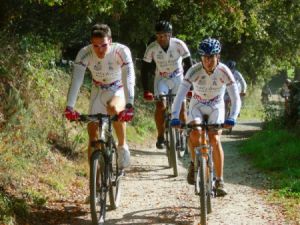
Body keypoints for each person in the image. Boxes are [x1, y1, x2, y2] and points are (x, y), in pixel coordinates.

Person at [171, 38, 241, 196]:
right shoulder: (194, 71)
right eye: (205, 57)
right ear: (201, 57)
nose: (208, 61)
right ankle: (193, 163)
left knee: (214, 138)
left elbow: (235, 98)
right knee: (194, 131)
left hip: (216, 106)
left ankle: (220, 180)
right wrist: (175, 116)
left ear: (218, 57)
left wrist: (233, 117)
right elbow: (180, 95)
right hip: (197, 105)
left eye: (211, 57)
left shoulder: (224, 71)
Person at [64, 23, 135, 169]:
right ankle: (94, 186)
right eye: (95, 46)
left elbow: (129, 78)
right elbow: (76, 80)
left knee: (113, 108)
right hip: (98, 89)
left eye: (103, 45)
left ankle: (122, 146)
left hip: (118, 87)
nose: (99, 50)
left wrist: (129, 105)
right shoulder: (84, 53)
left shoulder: (121, 51)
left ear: (110, 40)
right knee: (92, 137)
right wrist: (69, 107)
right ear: (91, 43)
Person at [141, 20, 193, 149]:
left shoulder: (179, 44)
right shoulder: (152, 47)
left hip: (178, 77)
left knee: (181, 108)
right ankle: (160, 136)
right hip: (161, 78)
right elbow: (145, 70)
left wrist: (190, 86)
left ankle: (182, 134)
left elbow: (189, 65)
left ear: (170, 35)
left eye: (164, 35)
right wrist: (146, 90)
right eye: (158, 36)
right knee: (160, 105)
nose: (161, 38)